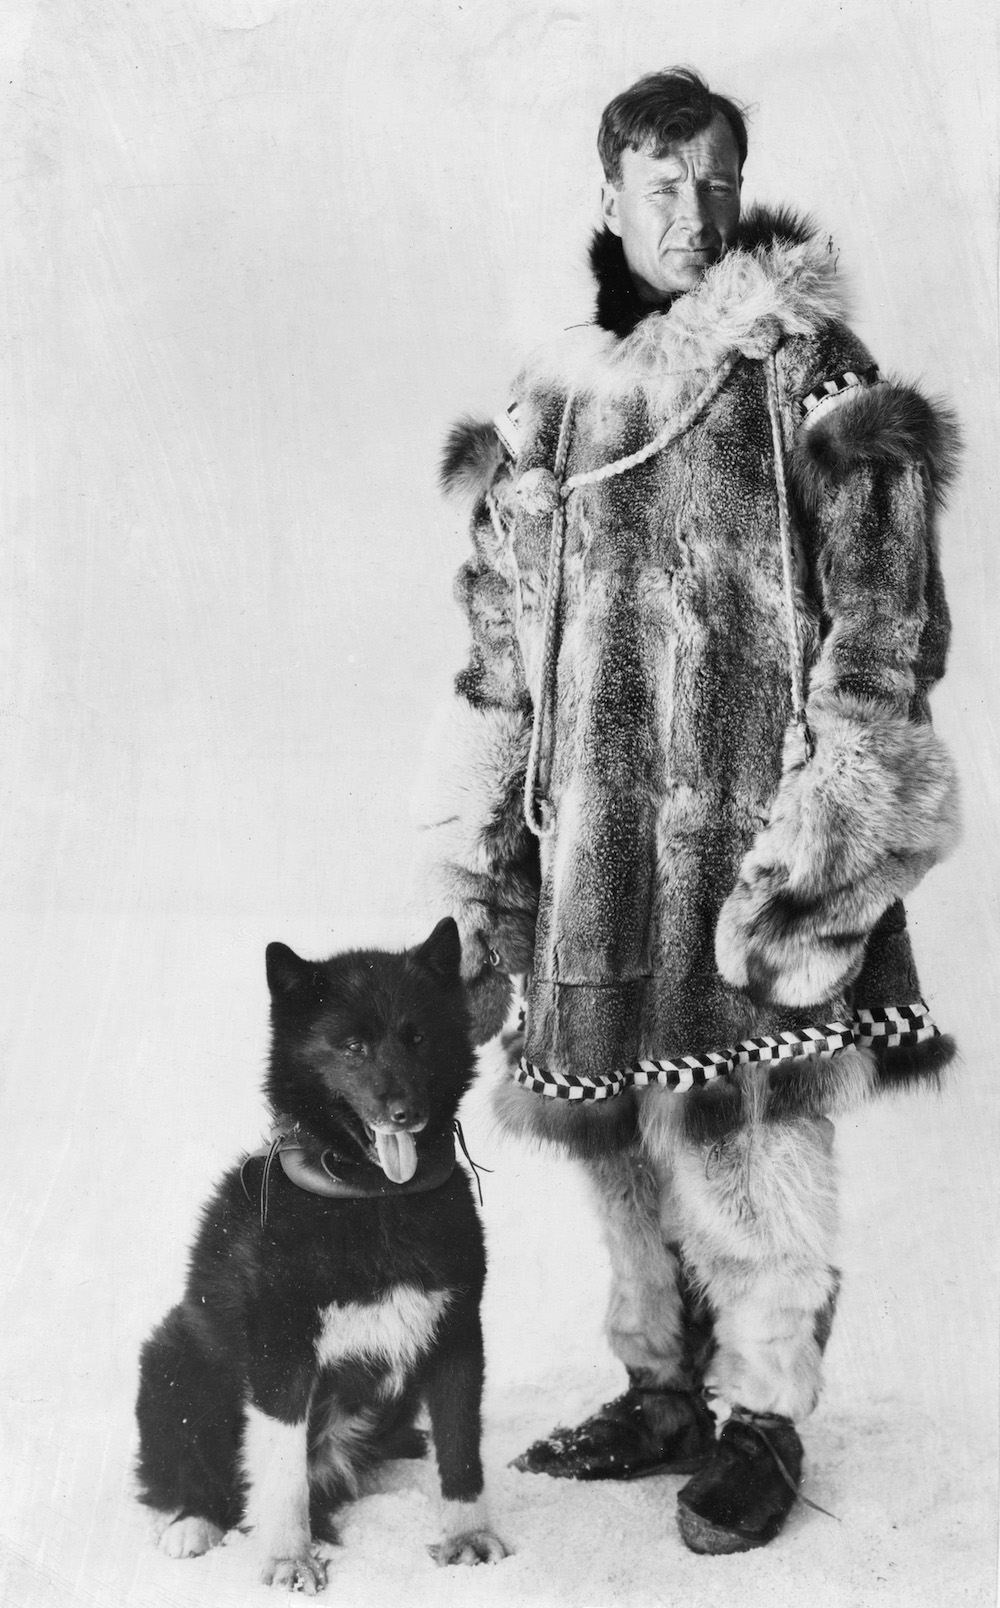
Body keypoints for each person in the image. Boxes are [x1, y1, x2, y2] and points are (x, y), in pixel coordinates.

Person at [415, 67, 960, 1555]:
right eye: (662, 182)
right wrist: (489, 865)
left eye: (717, 180)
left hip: (741, 830)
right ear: (607, 197)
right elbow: (499, 643)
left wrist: (824, 838)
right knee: (609, 1132)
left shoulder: (808, 367)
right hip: (589, 841)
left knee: (753, 1125)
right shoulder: (557, 400)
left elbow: (887, 628)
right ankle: (661, 1386)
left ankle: (764, 1413)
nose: (693, 209)